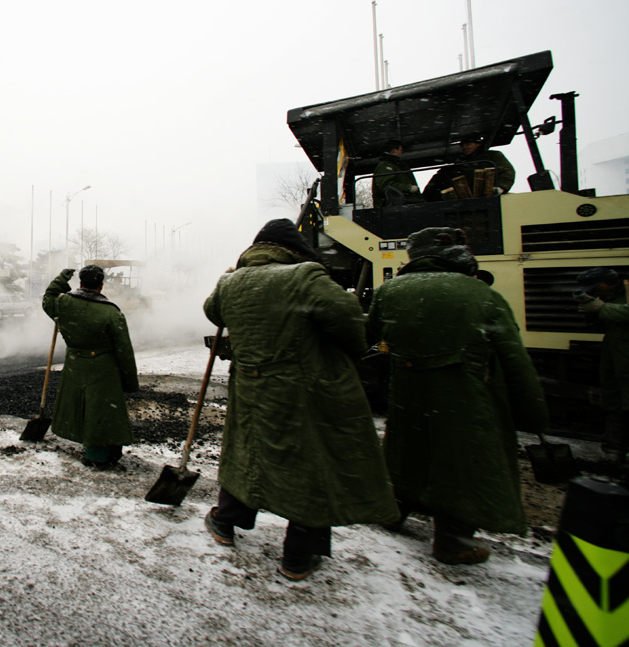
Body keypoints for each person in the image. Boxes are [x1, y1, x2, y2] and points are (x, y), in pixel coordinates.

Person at [202, 218, 398, 581]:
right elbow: (349, 323)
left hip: (250, 387)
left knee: (248, 451)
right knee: (311, 464)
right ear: (293, 250)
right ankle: (299, 554)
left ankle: (226, 521)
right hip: (302, 391)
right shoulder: (305, 277)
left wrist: (232, 275)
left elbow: (213, 311)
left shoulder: (231, 282)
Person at [367, 227, 548, 565]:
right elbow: (514, 359)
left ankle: (391, 512)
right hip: (464, 396)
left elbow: (367, 337)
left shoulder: (390, 291)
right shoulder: (481, 294)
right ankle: (453, 541)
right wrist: (534, 413)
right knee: (462, 465)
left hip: (407, 393)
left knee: (406, 452)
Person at [42, 264, 138, 468]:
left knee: (82, 407)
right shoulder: (111, 313)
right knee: (101, 410)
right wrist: (129, 381)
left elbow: (48, 298)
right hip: (104, 369)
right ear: (101, 285)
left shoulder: (64, 303)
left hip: (75, 365)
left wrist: (61, 278)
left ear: (80, 283)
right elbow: (124, 350)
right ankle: (100, 455)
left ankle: (102, 451)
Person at [576, 267, 629, 462]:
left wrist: (602, 308)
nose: (597, 291)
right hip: (615, 359)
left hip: (623, 358)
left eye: (598, 287)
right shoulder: (611, 297)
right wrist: (591, 311)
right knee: (615, 402)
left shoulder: (625, 292)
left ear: (610, 281)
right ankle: (613, 451)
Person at [423, 133, 516, 201]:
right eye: (462, 145)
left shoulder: (492, 156)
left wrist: (500, 188)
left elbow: (507, 172)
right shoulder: (460, 162)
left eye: (468, 144)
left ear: (478, 144)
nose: (465, 147)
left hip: (486, 196)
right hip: (463, 197)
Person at [371, 139, 423, 208]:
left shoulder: (398, 166)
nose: (401, 152)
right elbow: (386, 185)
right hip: (392, 205)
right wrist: (408, 188)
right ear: (394, 150)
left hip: (405, 203)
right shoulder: (385, 166)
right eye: (400, 150)